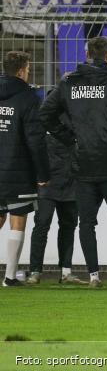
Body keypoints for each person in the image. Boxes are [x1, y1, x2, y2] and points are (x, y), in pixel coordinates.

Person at [39, 37, 107, 289]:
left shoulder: (69, 82)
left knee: (86, 222)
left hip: (83, 163)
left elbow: (45, 114)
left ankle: (94, 276)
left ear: (87, 53)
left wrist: (68, 138)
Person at [0, 52, 48, 287]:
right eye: (28, 68)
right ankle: (9, 277)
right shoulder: (28, 97)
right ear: (21, 70)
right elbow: (35, 139)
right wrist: (43, 174)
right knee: (17, 220)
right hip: (18, 169)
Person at [27, 104, 88, 286]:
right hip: (48, 180)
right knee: (42, 224)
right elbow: (35, 147)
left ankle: (65, 272)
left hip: (70, 179)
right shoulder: (44, 116)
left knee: (67, 226)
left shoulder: (78, 115)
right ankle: (35, 271)